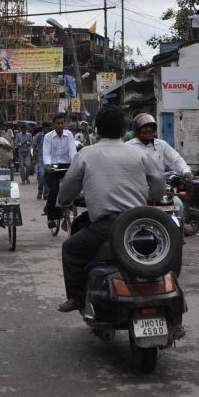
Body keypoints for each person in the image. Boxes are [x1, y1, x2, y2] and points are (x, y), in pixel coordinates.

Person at [54, 107, 164, 312]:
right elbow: (158, 183)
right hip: (139, 223)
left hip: (106, 226)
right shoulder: (138, 153)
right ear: (124, 131)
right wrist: (152, 196)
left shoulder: (85, 154)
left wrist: (63, 202)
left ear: (97, 131)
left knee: (70, 248)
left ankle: (76, 299)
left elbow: (67, 191)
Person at [125, 113, 193, 178]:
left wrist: (185, 171)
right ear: (137, 130)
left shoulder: (161, 144)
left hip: (158, 185)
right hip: (137, 185)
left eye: (150, 127)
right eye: (145, 127)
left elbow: (176, 159)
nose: (148, 129)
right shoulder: (128, 146)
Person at [42, 114, 78, 229]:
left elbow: (73, 151)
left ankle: (68, 205)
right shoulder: (48, 136)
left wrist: (75, 162)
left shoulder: (69, 135)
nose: (60, 125)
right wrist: (47, 164)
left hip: (66, 164)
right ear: (53, 124)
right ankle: (51, 217)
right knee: (54, 189)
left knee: (73, 185)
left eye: (62, 123)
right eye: (58, 123)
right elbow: (46, 152)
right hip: (52, 166)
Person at [32, 122, 50, 200]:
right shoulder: (38, 136)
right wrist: (34, 158)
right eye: (45, 128)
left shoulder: (52, 136)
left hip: (49, 160)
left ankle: (46, 192)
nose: (47, 130)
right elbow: (35, 147)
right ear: (43, 129)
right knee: (41, 175)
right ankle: (40, 190)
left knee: (48, 176)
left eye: (48, 128)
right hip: (40, 159)